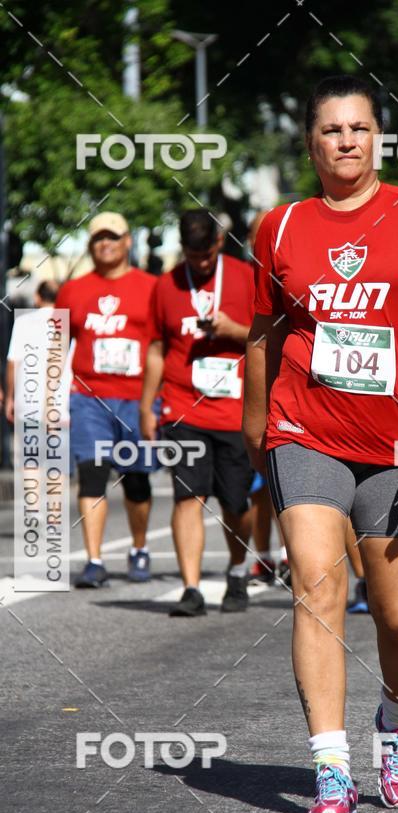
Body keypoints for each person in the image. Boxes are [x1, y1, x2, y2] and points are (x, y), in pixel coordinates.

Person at [243, 74, 398, 813]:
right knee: (316, 586)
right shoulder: (278, 227)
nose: (347, 141)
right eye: (333, 130)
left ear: (378, 138)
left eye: (360, 128)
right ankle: (331, 770)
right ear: (311, 142)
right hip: (305, 430)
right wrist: (256, 426)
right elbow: (263, 333)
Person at [141, 209, 255, 616]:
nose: (201, 263)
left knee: (236, 503)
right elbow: (157, 347)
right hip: (182, 406)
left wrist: (232, 331)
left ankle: (238, 570)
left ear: (219, 244)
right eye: (193, 256)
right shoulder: (166, 284)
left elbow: (267, 336)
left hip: (236, 409)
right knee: (188, 495)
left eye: (206, 255)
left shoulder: (244, 276)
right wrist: (146, 405)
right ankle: (191, 588)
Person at [55, 213, 157, 588]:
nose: (105, 244)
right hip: (89, 398)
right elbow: (56, 346)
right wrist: (48, 395)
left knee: (136, 480)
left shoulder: (152, 287)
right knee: (92, 474)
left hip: (138, 397)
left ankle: (140, 548)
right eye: (98, 237)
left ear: (128, 241)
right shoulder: (73, 290)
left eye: (112, 237)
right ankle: (94, 560)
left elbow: (164, 344)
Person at [246, 212, 290, 587]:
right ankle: (263, 557)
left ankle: (293, 555)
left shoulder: (296, 276)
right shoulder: (240, 281)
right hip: (244, 405)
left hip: (292, 405)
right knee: (259, 492)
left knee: (292, 491)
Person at [5, 281, 62, 425]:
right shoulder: (67, 323)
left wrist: (9, 398)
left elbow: (13, 363)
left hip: (27, 405)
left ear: (37, 297)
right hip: (60, 406)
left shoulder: (23, 322)